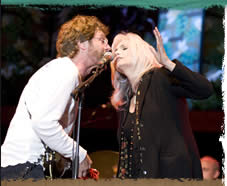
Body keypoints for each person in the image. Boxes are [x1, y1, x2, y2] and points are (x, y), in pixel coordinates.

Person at [1, 15, 111, 180]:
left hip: (22, 169)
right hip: (24, 170)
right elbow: (44, 123)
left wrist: (69, 161)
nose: (108, 47)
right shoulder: (66, 71)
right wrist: (79, 155)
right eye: (102, 40)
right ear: (82, 43)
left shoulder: (63, 71)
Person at [110, 27, 213, 179]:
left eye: (124, 48)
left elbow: (205, 90)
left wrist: (168, 64)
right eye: (115, 50)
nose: (117, 52)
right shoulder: (125, 101)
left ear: (141, 53)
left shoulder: (160, 77)